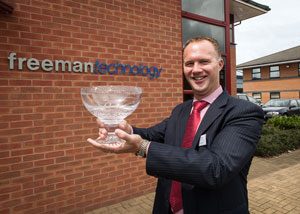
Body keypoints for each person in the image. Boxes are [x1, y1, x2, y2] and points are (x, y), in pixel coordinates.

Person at [87, 36, 264, 214]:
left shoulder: (243, 112)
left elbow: (216, 169)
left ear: (220, 64)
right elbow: (154, 135)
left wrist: (143, 147)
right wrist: (125, 130)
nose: (196, 70)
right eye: (189, 63)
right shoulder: (181, 110)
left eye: (203, 61)